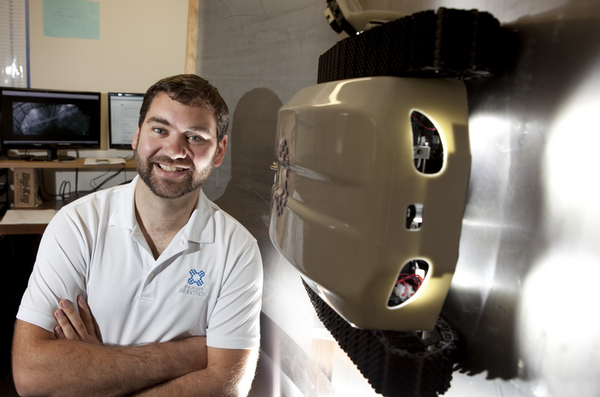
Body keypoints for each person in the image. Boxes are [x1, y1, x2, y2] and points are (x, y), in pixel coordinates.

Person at [11, 74, 263, 397]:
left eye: (195, 137)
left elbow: (225, 387)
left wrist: (91, 371)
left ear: (219, 151)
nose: (174, 151)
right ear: (137, 135)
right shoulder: (76, 225)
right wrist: (185, 355)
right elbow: (31, 374)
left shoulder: (238, 251)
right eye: (160, 130)